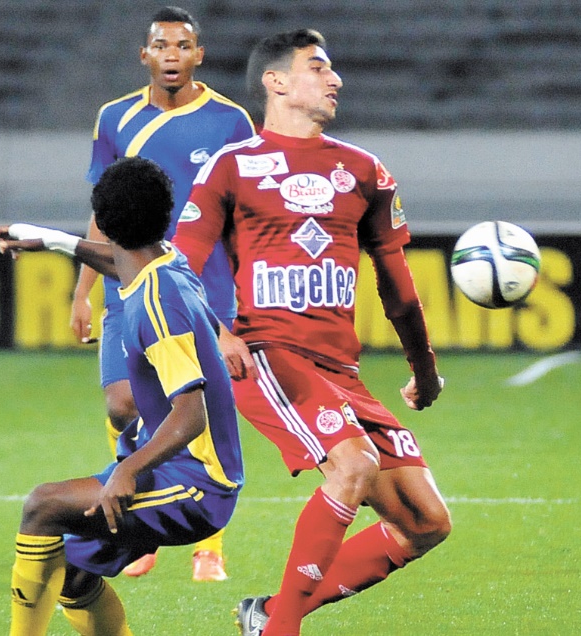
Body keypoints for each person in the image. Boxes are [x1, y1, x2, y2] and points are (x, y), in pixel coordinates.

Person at [171, 29, 452, 635]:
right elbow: (178, 267)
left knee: (426, 522)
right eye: (318, 67)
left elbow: (399, 288)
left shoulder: (364, 170)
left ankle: (270, 614)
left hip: (341, 371)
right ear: (275, 82)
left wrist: (424, 368)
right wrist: (218, 332)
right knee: (353, 465)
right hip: (267, 355)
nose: (335, 79)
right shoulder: (233, 166)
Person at [0, 156, 244, 635]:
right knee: (72, 575)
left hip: (197, 484)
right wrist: (53, 240)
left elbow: (191, 414)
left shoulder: (155, 305)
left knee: (43, 507)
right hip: (176, 467)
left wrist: (127, 470)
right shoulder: (167, 261)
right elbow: (120, 259)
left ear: (104, 224)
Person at [71, 5, 254, 580]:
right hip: (127, 284)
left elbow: (245, 218)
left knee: (197, 405)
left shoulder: (230, 121)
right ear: (144, 55)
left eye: (182, 46)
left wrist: (243, 305)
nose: (171, 56)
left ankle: (210, 546)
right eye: (161, 46)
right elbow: (102, 208)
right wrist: (82, 292)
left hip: (201, 292)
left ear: (199, 54)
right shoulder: (115, 117)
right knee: (122, 404)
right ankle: (139, 522)